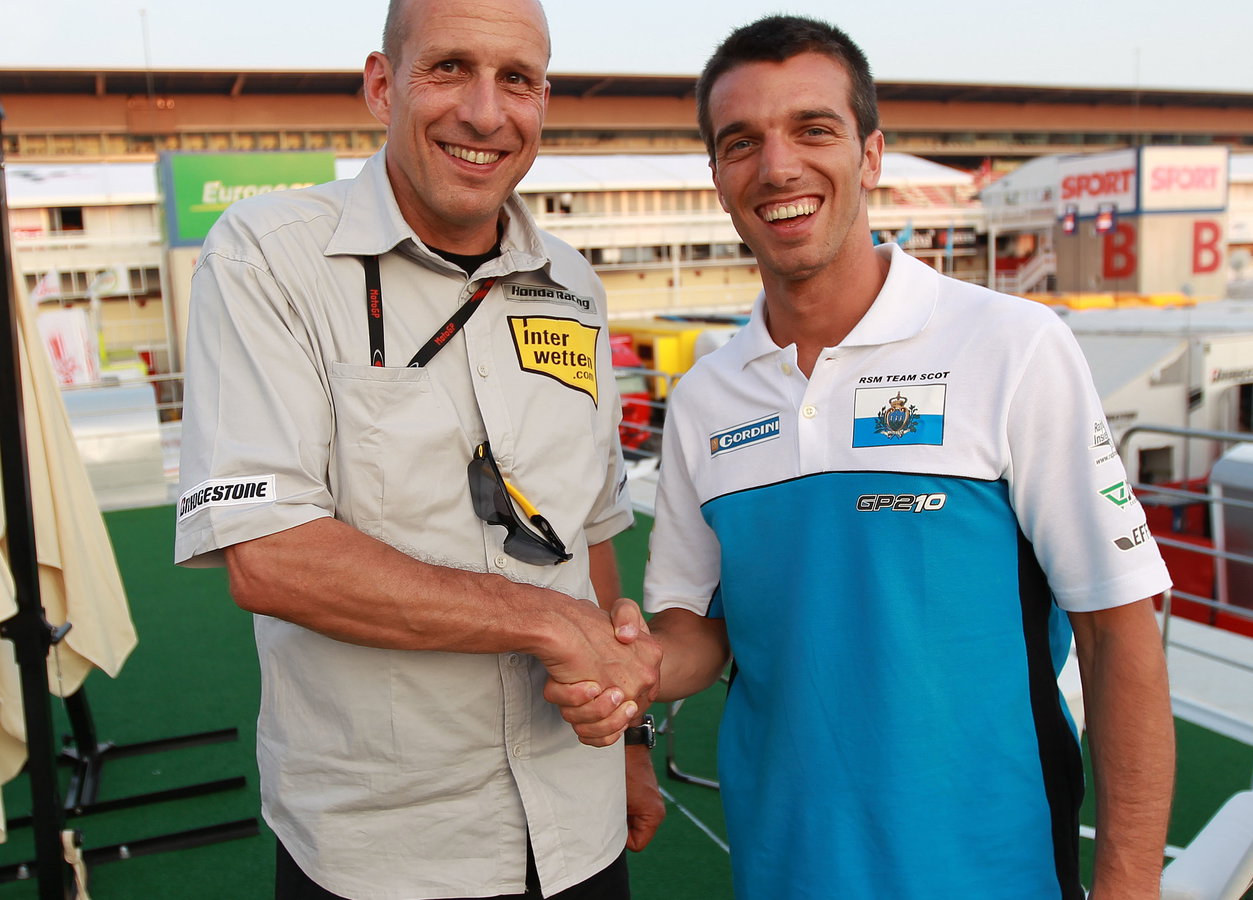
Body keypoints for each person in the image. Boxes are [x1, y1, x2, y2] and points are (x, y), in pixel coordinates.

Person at [551, 14, 1175, 900]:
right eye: (742, 143)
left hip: (997, 870)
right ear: (720, 179)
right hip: (784, 865)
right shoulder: (704, 400)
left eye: (813, 129)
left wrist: (1128, 884)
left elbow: (1118, 629)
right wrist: (628, 670)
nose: (778, 167)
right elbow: (697, 631)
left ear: (871, 155)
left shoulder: (1012, 345)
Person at [173, 1, 663, 897]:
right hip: (386, 854)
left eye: (518, 79)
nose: (485, 112)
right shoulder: (268, 257)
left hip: (576, 825)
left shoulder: (575, 285)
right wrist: (551, 624)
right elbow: (271, 555)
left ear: (543, 101)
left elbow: (589, 530)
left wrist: (626, 733)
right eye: (449, 69)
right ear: (380, 84)